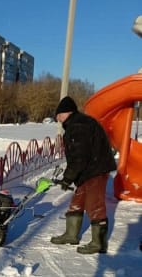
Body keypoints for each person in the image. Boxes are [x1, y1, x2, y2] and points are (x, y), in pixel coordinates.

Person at [50, 96, 117, 254]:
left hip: (95, 171)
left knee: (95, 205)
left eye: (58, 115)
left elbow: (80, 156)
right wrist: (71, 176)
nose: (57, 119)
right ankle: (71, 235)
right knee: (77, 202)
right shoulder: (77, 123)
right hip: (88, 170)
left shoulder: (78, 126)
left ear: (65, 113)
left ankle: (98, 243)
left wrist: (68, 178)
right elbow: (78, 156)